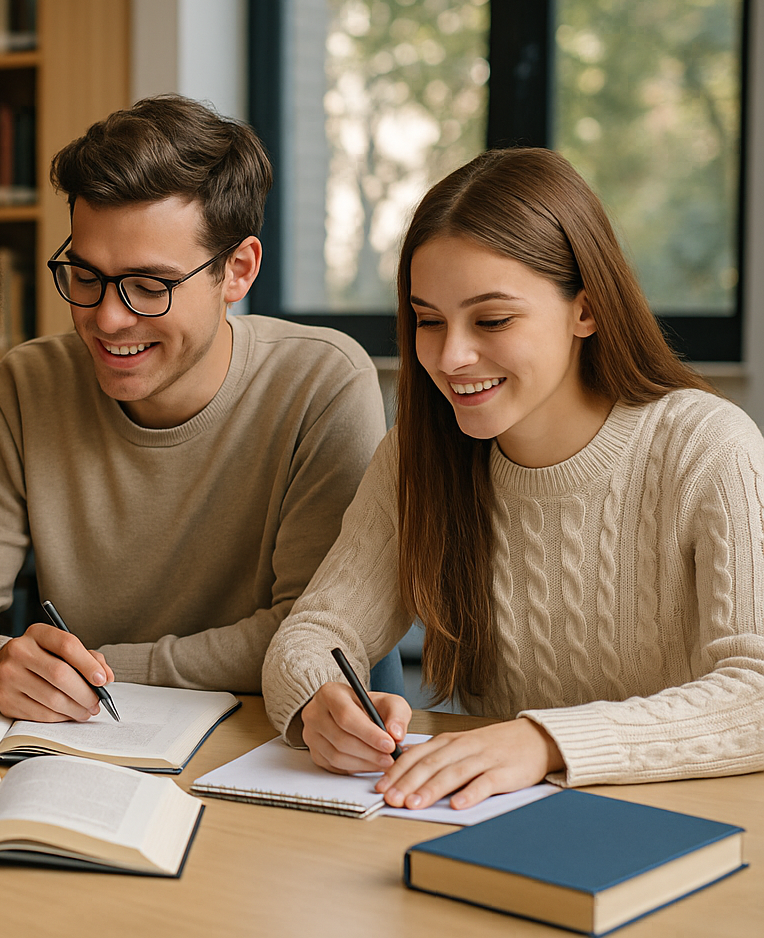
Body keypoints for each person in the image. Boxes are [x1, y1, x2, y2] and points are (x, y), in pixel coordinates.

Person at [263, 147, 764, 809]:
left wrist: (543, 742)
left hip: (686, 823)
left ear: (585, 310)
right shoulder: (418, 457)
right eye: (429, 321)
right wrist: (316, 706)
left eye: (492, 320)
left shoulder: (707, 447)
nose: (451, 356)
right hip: (486, 828)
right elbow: (310, 635)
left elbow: (755, 692)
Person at [0, 94, 391, 721]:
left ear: (238, 271)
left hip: (273, 739)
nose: (108, 318)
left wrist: (98, 667)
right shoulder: (28, 385)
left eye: (149, 286)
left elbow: (309, 633)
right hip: (91, 742)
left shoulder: (321, 382)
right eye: (85, 276)